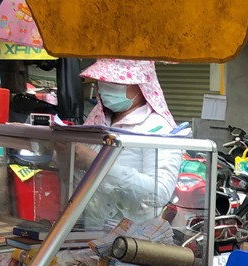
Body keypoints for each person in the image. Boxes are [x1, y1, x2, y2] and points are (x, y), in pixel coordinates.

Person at [77, 59, 184, 229]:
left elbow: (158, 193)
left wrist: (96, 163)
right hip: (90, 233)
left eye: (115, 81)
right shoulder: (98, 119)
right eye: (103, 80)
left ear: (142, 85)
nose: (105, 85)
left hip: (132, 241)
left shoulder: (158, 129)